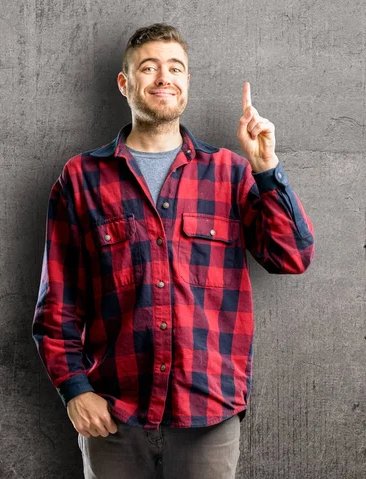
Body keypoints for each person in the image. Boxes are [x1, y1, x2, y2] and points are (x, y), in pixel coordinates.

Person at [32, 23, 315, 479]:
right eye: (149, 67)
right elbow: (56, 305)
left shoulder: (231, 173)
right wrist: (74, 389)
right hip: (113, 414)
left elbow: (291, 256)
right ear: (125, 84)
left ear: (187, 83)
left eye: (175, 68)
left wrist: (267, 168)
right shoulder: (81, 178)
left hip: (209, 410)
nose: (163, 77)